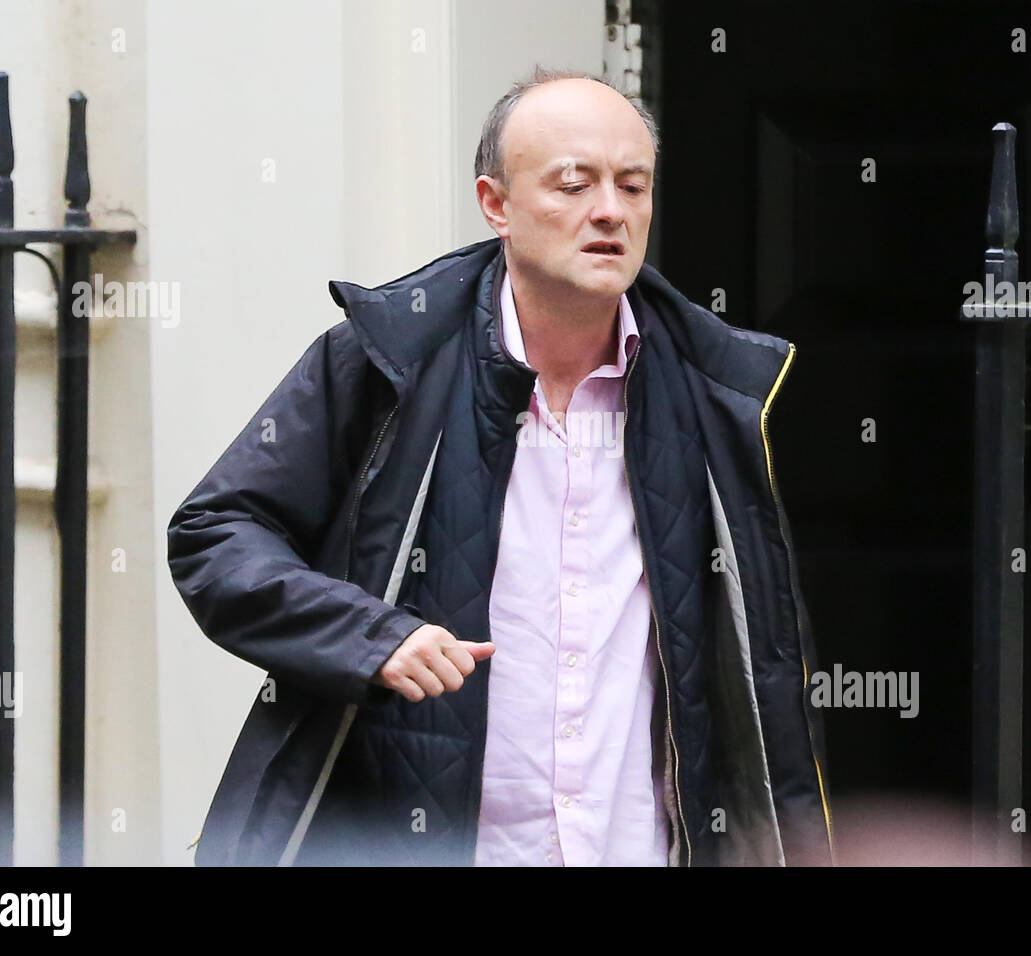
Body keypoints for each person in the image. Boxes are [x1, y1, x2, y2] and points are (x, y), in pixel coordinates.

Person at [167, 67, 834, 867]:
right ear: (496, 204)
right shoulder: (388, 355)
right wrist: (366, 637)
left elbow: (760, 674)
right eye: (574, 185)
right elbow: (215, 531)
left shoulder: (719, 391)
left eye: (633, 185)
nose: (610, 212)